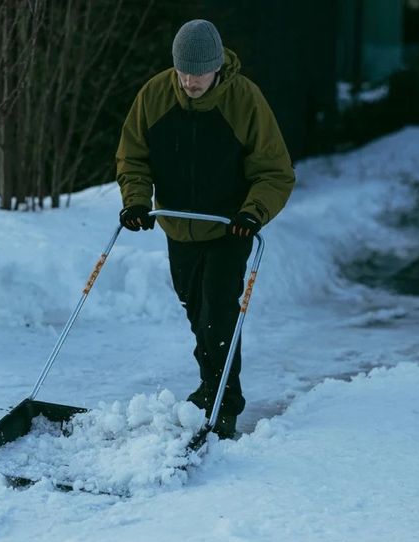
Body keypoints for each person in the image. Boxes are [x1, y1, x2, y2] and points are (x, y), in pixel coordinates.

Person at [116, 19, 295, 438]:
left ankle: (223, 402)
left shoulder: (245, 99)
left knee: (218, 310)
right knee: (197, 314)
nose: (189, 81)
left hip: (229, 228)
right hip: (179, 227)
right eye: (182, 71)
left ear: (217, 67)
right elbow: (133, 156)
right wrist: (137, 202)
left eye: (198, 72)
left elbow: (275, 171)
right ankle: (209, 386)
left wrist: (253, 213)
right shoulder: (155, 95)